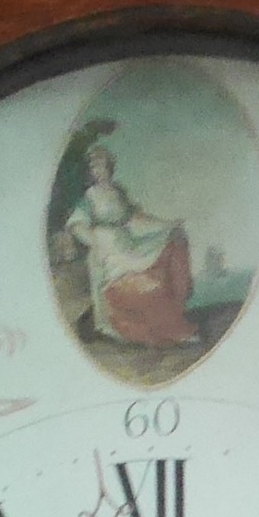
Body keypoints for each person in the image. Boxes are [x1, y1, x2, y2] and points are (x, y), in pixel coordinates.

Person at [54, 119, 195, 354]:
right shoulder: (90, 196)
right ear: (91, 172)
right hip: (108, 250)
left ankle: (174, 321)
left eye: (102, 166)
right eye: (94, 167)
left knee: (173, 242)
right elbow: (77, 224)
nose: (99, 171)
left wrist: (168, 224)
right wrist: (95, 241)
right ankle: (151, 328)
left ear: (110, 167)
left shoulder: (118, 192)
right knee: (141, 286)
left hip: (127, 243)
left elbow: (135, 218)